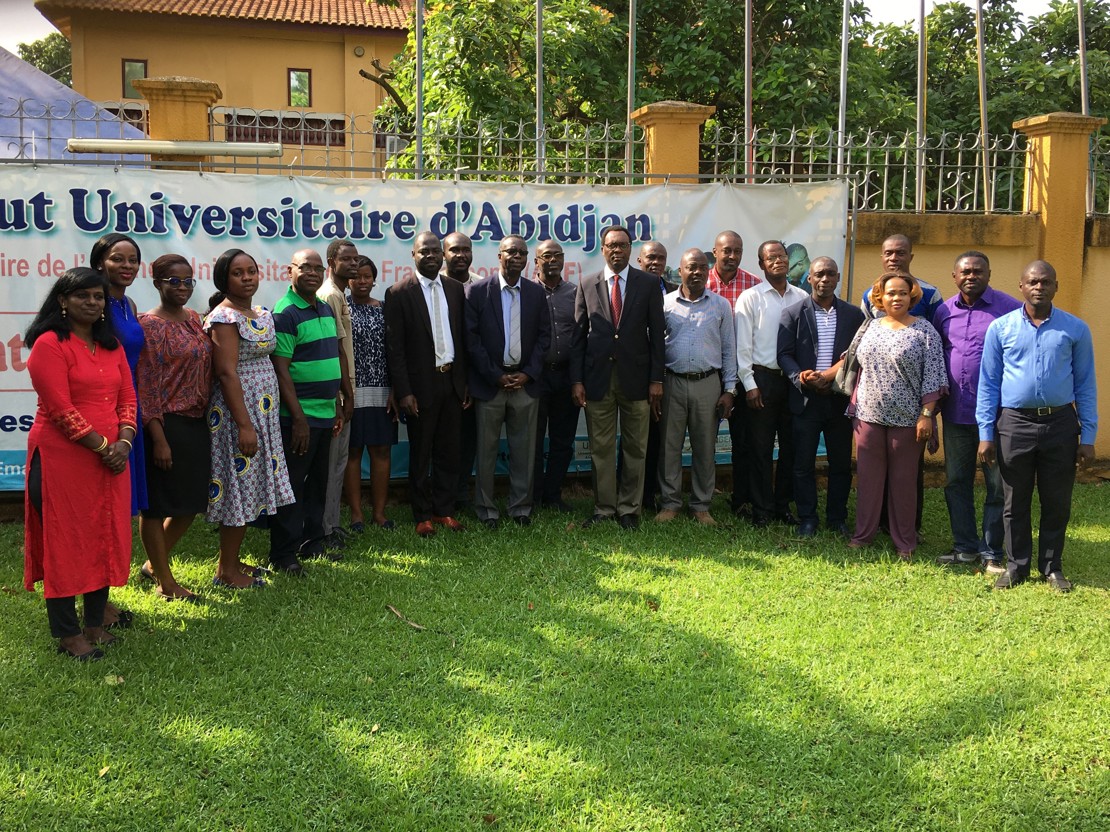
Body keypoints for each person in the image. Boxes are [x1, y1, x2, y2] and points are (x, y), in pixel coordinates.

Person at [24, 268, 136, 660]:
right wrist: (105, 446)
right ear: (63, 301)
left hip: (111, 458)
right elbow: (59, 409)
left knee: (103, 534)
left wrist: (124, 441)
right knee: (66, 541)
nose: (92, 303)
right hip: (63, 457)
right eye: (83, 296)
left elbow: (128, 399)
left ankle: (94, 623)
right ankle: (68, 635)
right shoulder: (49, 344)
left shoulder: (111, 345)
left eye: (99, 297)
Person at [977, 261, 1098, 593]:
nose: (1039, 287)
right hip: (1014, 423)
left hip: (1060, 423)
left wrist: (1087, 436)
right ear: (1021, 286)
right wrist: (986, 433)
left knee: (1056, 499)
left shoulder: (1075, 330)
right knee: (1014, 500)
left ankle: (1051, 567)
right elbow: (987, 384)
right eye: (1032, 282)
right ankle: (1016, 567)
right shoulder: (1000, 329)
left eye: (1046, 282)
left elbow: (1086, 385)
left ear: (1056, 287)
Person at [204, 249, 295, 584]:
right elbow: (226, 373)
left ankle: (234, 562)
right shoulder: (224, 318)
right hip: (237, 414)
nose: (247, 278)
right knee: (237, 488)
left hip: (264, 413)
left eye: (251, 271)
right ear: (224, 279)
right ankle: (226, 571)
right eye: (238, 273)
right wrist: (245, 425)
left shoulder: (261, 313)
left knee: (250, 488)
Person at [570, 225, 665, 530]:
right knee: (601, 447)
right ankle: (604, 508)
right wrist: (577, 380)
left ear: (630, 250)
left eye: (622, 245)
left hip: (637, 379)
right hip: (598, 378)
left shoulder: (648, 284)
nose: (616, 250)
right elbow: (578, 338)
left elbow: (658, 338)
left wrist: (656, 379)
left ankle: (629, 510)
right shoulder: (587, 283)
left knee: (636, 447)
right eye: (611, 245)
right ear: (603, 249)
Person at [846, 273, 947, 560]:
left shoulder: (924, 331)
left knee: (903, 483)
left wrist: (927, 414)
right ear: (880, 297)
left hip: (908, 421)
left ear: (912, 296)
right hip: (868, 417)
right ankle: (863, 536)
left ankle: (904, 542)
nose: (896, 298)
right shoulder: (870, 327)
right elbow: (852, 364)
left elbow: (934, 375)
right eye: (890, 293)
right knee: (868, 480)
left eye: (903, 293)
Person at [932, 251, 1021, 572]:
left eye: (978, 271)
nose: (971, 276)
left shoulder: (1009, 309)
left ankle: (992, 552)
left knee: (997, 486)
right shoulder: (942, 311)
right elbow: (934, 361)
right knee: (957, 482)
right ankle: (965, 548)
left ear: (989, 274)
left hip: (998, 417)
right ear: (955, 277)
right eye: (965, 272)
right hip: (955, 415)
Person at [135, 254, 213, 601]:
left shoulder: (194, 318)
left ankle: (154, 564)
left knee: (191, 502)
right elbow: (147, 385)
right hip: (166, 424)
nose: (181, 287)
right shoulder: (148, 325)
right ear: (157, 283)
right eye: (173, 281)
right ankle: (166, 583)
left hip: (196, 422)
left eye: (187, 281)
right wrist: (158, 438)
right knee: (159, 504)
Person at [385, 231, 469, 536]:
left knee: (450, 450)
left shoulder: (455, 288)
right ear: (414, 255)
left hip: (452, 382)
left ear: (443, 255)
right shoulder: (398, 293)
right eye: (425, 252)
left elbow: (463, 337)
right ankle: (422, 515)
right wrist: (404, 391)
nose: (431, 256)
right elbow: (395, 350)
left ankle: (444, 510)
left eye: (436, 251)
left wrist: (465, 382)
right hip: (420, 388)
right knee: (421, 453)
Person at [465, 235, 551, 528]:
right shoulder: (478, 291)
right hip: (491, 384)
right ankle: (486, 509)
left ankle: (520, 508)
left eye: (522, 253)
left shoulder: (536, 293)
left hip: (525, 384)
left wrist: (528, 373)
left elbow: (544, 337)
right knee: (486, 451)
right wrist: (495, 375)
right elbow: (471, 340)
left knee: (524, 451)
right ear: (499, 256)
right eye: (510, 252)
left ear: (528, 259)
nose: (516, 257)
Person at [776, 256, 865, 537]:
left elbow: (857, 357)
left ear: (837, 278)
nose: (824, 279)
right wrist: (802, 378)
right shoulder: (793, 313)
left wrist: (830, 380)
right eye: (819, 275)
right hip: (806, 401)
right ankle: (807, 517)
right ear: (809, 279)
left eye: (830, 274)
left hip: (839, 400)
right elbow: (784, 356)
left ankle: (837, 518)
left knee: (840, 463)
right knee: (802, 464)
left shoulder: (854, 316)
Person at [271, 248, 345, 565]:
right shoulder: (285, 313)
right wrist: (298, 419)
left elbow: (331, 360)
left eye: (317, 268)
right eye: (305, 267)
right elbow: (281, 369)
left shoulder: (325, 309)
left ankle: (312, 543)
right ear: (290, 271)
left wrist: (338, 405)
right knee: (292, 488)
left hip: (326, 413)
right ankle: (284, 554)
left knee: (317, 483)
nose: (313, 273)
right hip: (298, 419)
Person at [654, 249, 736, 526]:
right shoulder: (664, 304)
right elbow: (654, 347)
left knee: (705, 448)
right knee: (669, 447)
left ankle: (701, 506)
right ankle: (670, 504)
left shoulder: (721, 305)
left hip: (708, 384)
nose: (698, 272)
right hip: (673, 382)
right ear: (681, 270)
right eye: (692, 267)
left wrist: (730, 389)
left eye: (703, 267)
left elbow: (728, 350)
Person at [89, 232, 145, 628]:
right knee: (101, 512)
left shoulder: (127, 304)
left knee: (118, 513)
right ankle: (97, 605)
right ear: (100, 262)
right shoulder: (94, 306)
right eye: (117, 259)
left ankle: (103, 599)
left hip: (131, 413)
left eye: (132, 260)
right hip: (105, 416)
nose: (126, 266)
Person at [735, 240, 808, 527]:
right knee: (760, 449)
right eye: (771, 257)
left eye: (781, 256)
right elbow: (743, 346)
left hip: (793, 382)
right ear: (761, 264)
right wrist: (749, 384)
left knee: (790, 446)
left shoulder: (802, 297)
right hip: (761, 380)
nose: (778, 260)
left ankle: (782, 506)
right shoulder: (750, 298)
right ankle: (761, 509)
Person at [705, 230, 762, 518]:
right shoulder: (699, 282)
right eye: (726, 250)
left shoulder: (754, 286)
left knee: (744, 441)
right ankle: (694, 500)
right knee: (703, 439)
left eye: (737, 251)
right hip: (708, 374)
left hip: (743, 374)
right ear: (714, 251)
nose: (732, 256)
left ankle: (741, 500)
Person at [344, 255, 398, 531]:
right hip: (352, 390)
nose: (362, 281)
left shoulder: (385, 308)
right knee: (352, 452)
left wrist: (395, 389)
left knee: (381, 451)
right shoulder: (341, 308)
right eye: (356, 276)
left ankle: (379, 513)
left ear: (374, 279)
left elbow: (395, 351)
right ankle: (356, 514)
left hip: (382, 390)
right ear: (348, 279)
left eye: (367, 276)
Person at [531, 240, 579, 512]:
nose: (551, 260)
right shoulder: (526, 292)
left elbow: (583, 335)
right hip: (536, 378)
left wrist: (577, 379)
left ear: (563, 260)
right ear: (536, 261)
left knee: (563, 441)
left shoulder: (575, 292)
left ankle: (553, 496)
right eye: (545, 256)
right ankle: (534, 497)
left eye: (556, 255)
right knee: (533, 442)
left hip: (566, 377)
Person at [317, 239, 358, 545]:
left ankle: (331, 523)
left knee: (338, 462)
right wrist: (343, 395)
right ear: (331, 262)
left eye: (356, 259)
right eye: (346, 259)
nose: (353, 264)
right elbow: (334, 351)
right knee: (331, 465)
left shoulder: (340, 294)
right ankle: (324, 529)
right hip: (336, 393)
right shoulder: (330, 295)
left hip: (342, 389)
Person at [441, 231, 482, 510]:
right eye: (454, 250)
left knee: (468, 438)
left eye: (465, 249)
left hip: (473, 377)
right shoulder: (433, 284)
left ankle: (461, 492)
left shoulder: (480, 286)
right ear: (444, 253)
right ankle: (440, 493)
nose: (461, 255)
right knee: (440, 439)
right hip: (440, 375)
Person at [634, 240, 671, 512]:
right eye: (650, 258)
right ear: (640, 260)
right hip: (635, 378)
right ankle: (634, 493)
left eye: (660, 258)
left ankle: (651, 495)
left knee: (659, 438)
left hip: (667, 378)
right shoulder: (630, 290)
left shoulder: (672, 292)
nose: (655, 262)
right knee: (635, 439)